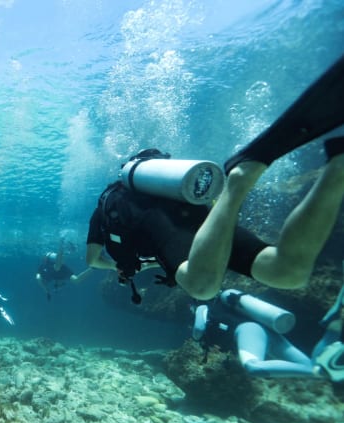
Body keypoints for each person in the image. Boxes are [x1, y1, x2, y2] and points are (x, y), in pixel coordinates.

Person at [86, 54, 344, 301]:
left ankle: (238, 180)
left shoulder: (107, 205)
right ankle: (338, 166)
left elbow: (93, 259)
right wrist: (155, 264)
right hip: (196, 211)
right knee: (286, 271)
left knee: (202, 286)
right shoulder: (159, 190)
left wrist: (117, 267)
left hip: (164, 226)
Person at [190, 279, 344, 381]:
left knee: (253, 366)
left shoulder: (203, 306)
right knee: (311, 365)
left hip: (248, 331)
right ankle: (335, 324)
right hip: (268, 332)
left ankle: (323, 369)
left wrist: (197, 337)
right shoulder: (225, 303)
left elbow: (198, 329)